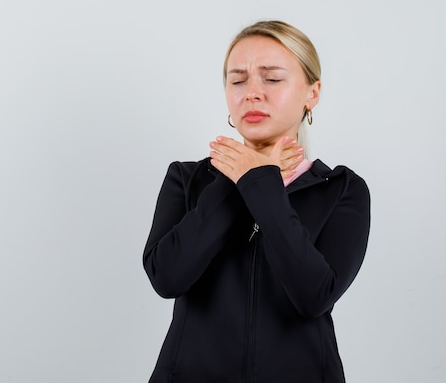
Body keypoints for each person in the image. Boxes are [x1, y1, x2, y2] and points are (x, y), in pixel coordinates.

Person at [142, 20, 371, 383]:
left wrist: (260, 183)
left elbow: (313, 296)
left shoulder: (341, 190)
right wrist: (238, 182)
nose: (251, 93)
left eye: (272, 78)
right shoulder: (188, 179)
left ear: (312, 94)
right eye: (238, 80)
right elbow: (168, 277)